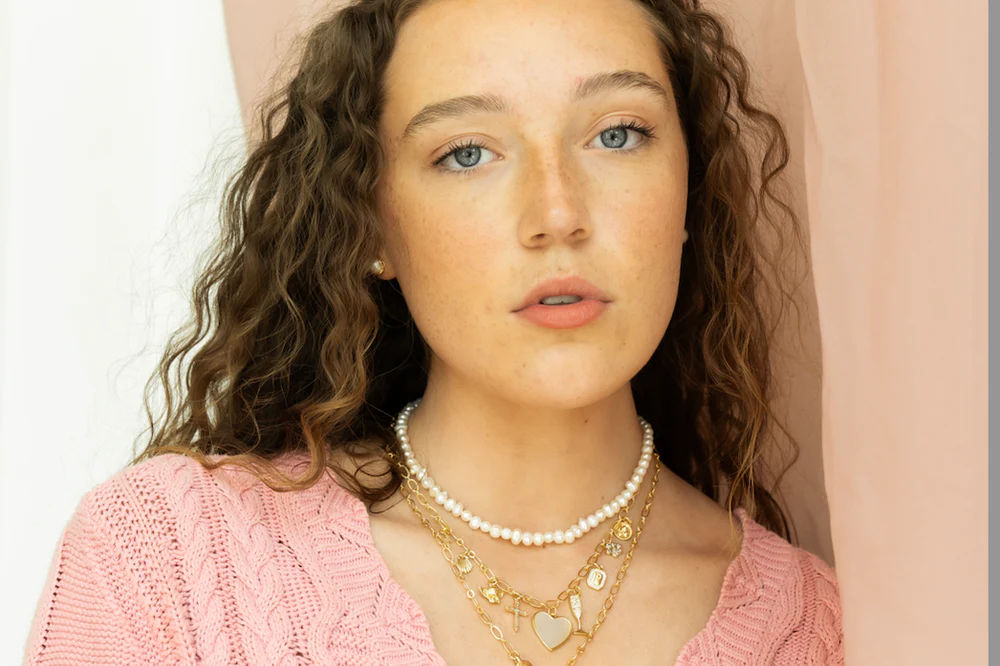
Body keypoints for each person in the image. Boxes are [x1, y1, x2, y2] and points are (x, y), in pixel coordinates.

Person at [23, 0, 844, 664]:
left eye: (617, 135)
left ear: (688, 191)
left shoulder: (820, 631)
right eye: (467, 153)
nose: (558, 212)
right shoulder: (168, 559)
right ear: (372, 225)